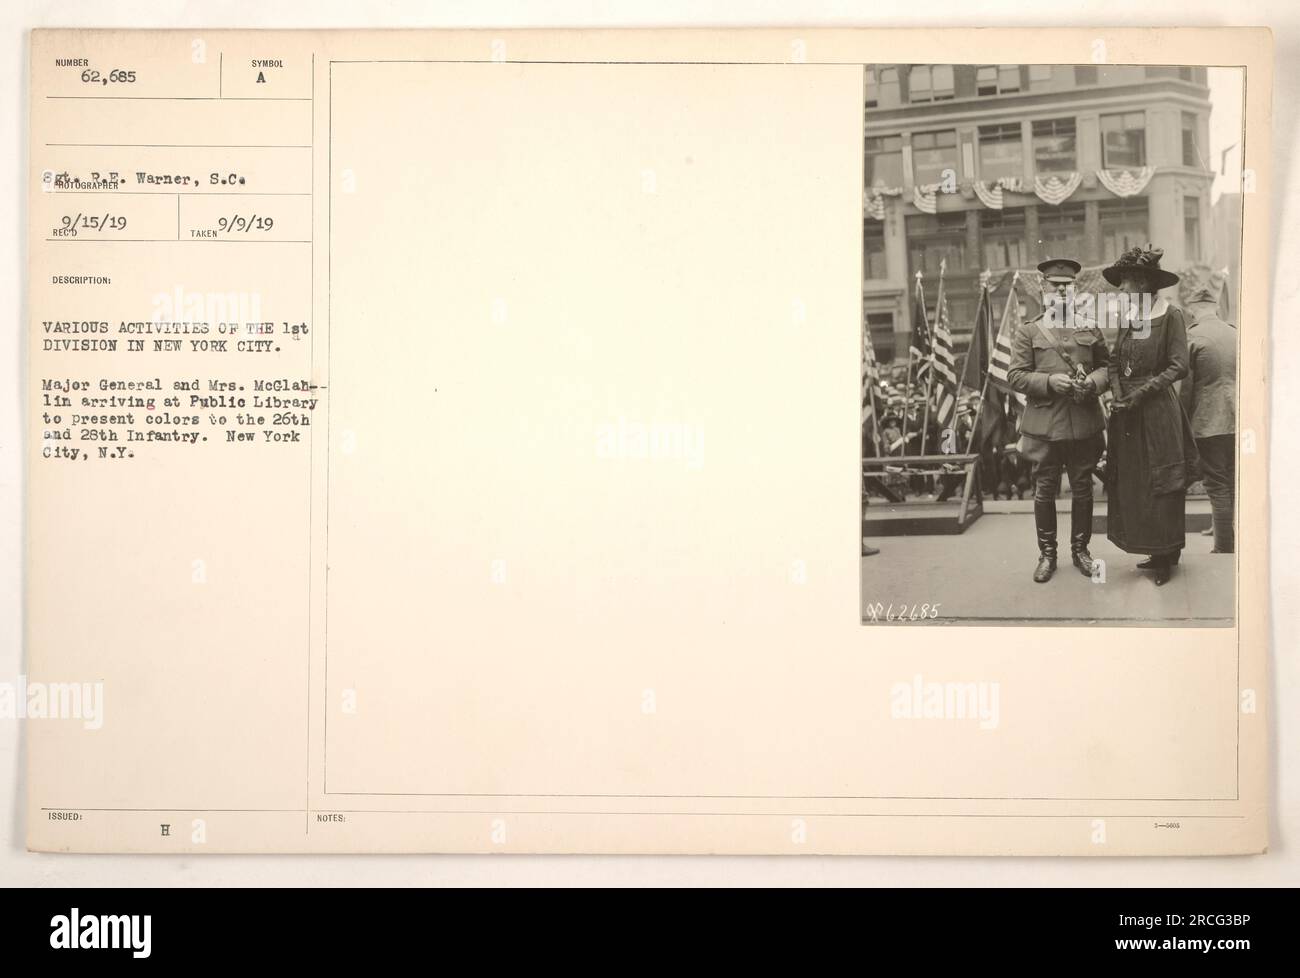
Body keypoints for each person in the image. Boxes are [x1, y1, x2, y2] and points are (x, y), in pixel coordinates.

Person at [1006, 258, 1109, 583]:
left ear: (1076, 289)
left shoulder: (1090, 328)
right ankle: (1047, 555)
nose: (1062, 291)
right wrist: (1049, 383)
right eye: (1055, 286)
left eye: (1068, 285)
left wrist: (1093, 383)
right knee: (1045, 490)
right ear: (1043, 288)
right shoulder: (1028, 331)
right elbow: (1016, 376)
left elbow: (1108, 367)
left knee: (1083, 490)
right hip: (1045, 428)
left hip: (1082, 424)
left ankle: (1081, 551)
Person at [1103, 245, 1199, 586]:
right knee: (1137, 481)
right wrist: (1117, 394)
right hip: (1128, 413)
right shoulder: (1128, 318)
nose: (1123, 290)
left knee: (1162, 480)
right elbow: (1115, 362)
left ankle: (1166, 555)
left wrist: (1139, 394)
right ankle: (1152, 547)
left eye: (1127, 283)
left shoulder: (1171, 315)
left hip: (1157, 410)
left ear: (1144, 283)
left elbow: (1179, 366)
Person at [1180, 288, 1237, 553]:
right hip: (1238, 416)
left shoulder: (1192, 336)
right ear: (1214, 307)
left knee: (1216, 482)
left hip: (1208, 419)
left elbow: (1187, 388)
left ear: (1192, 309)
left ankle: (1224, 545)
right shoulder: (1235, 332)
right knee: (1231, 478)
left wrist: (1182, 422)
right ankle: (1222, 528)